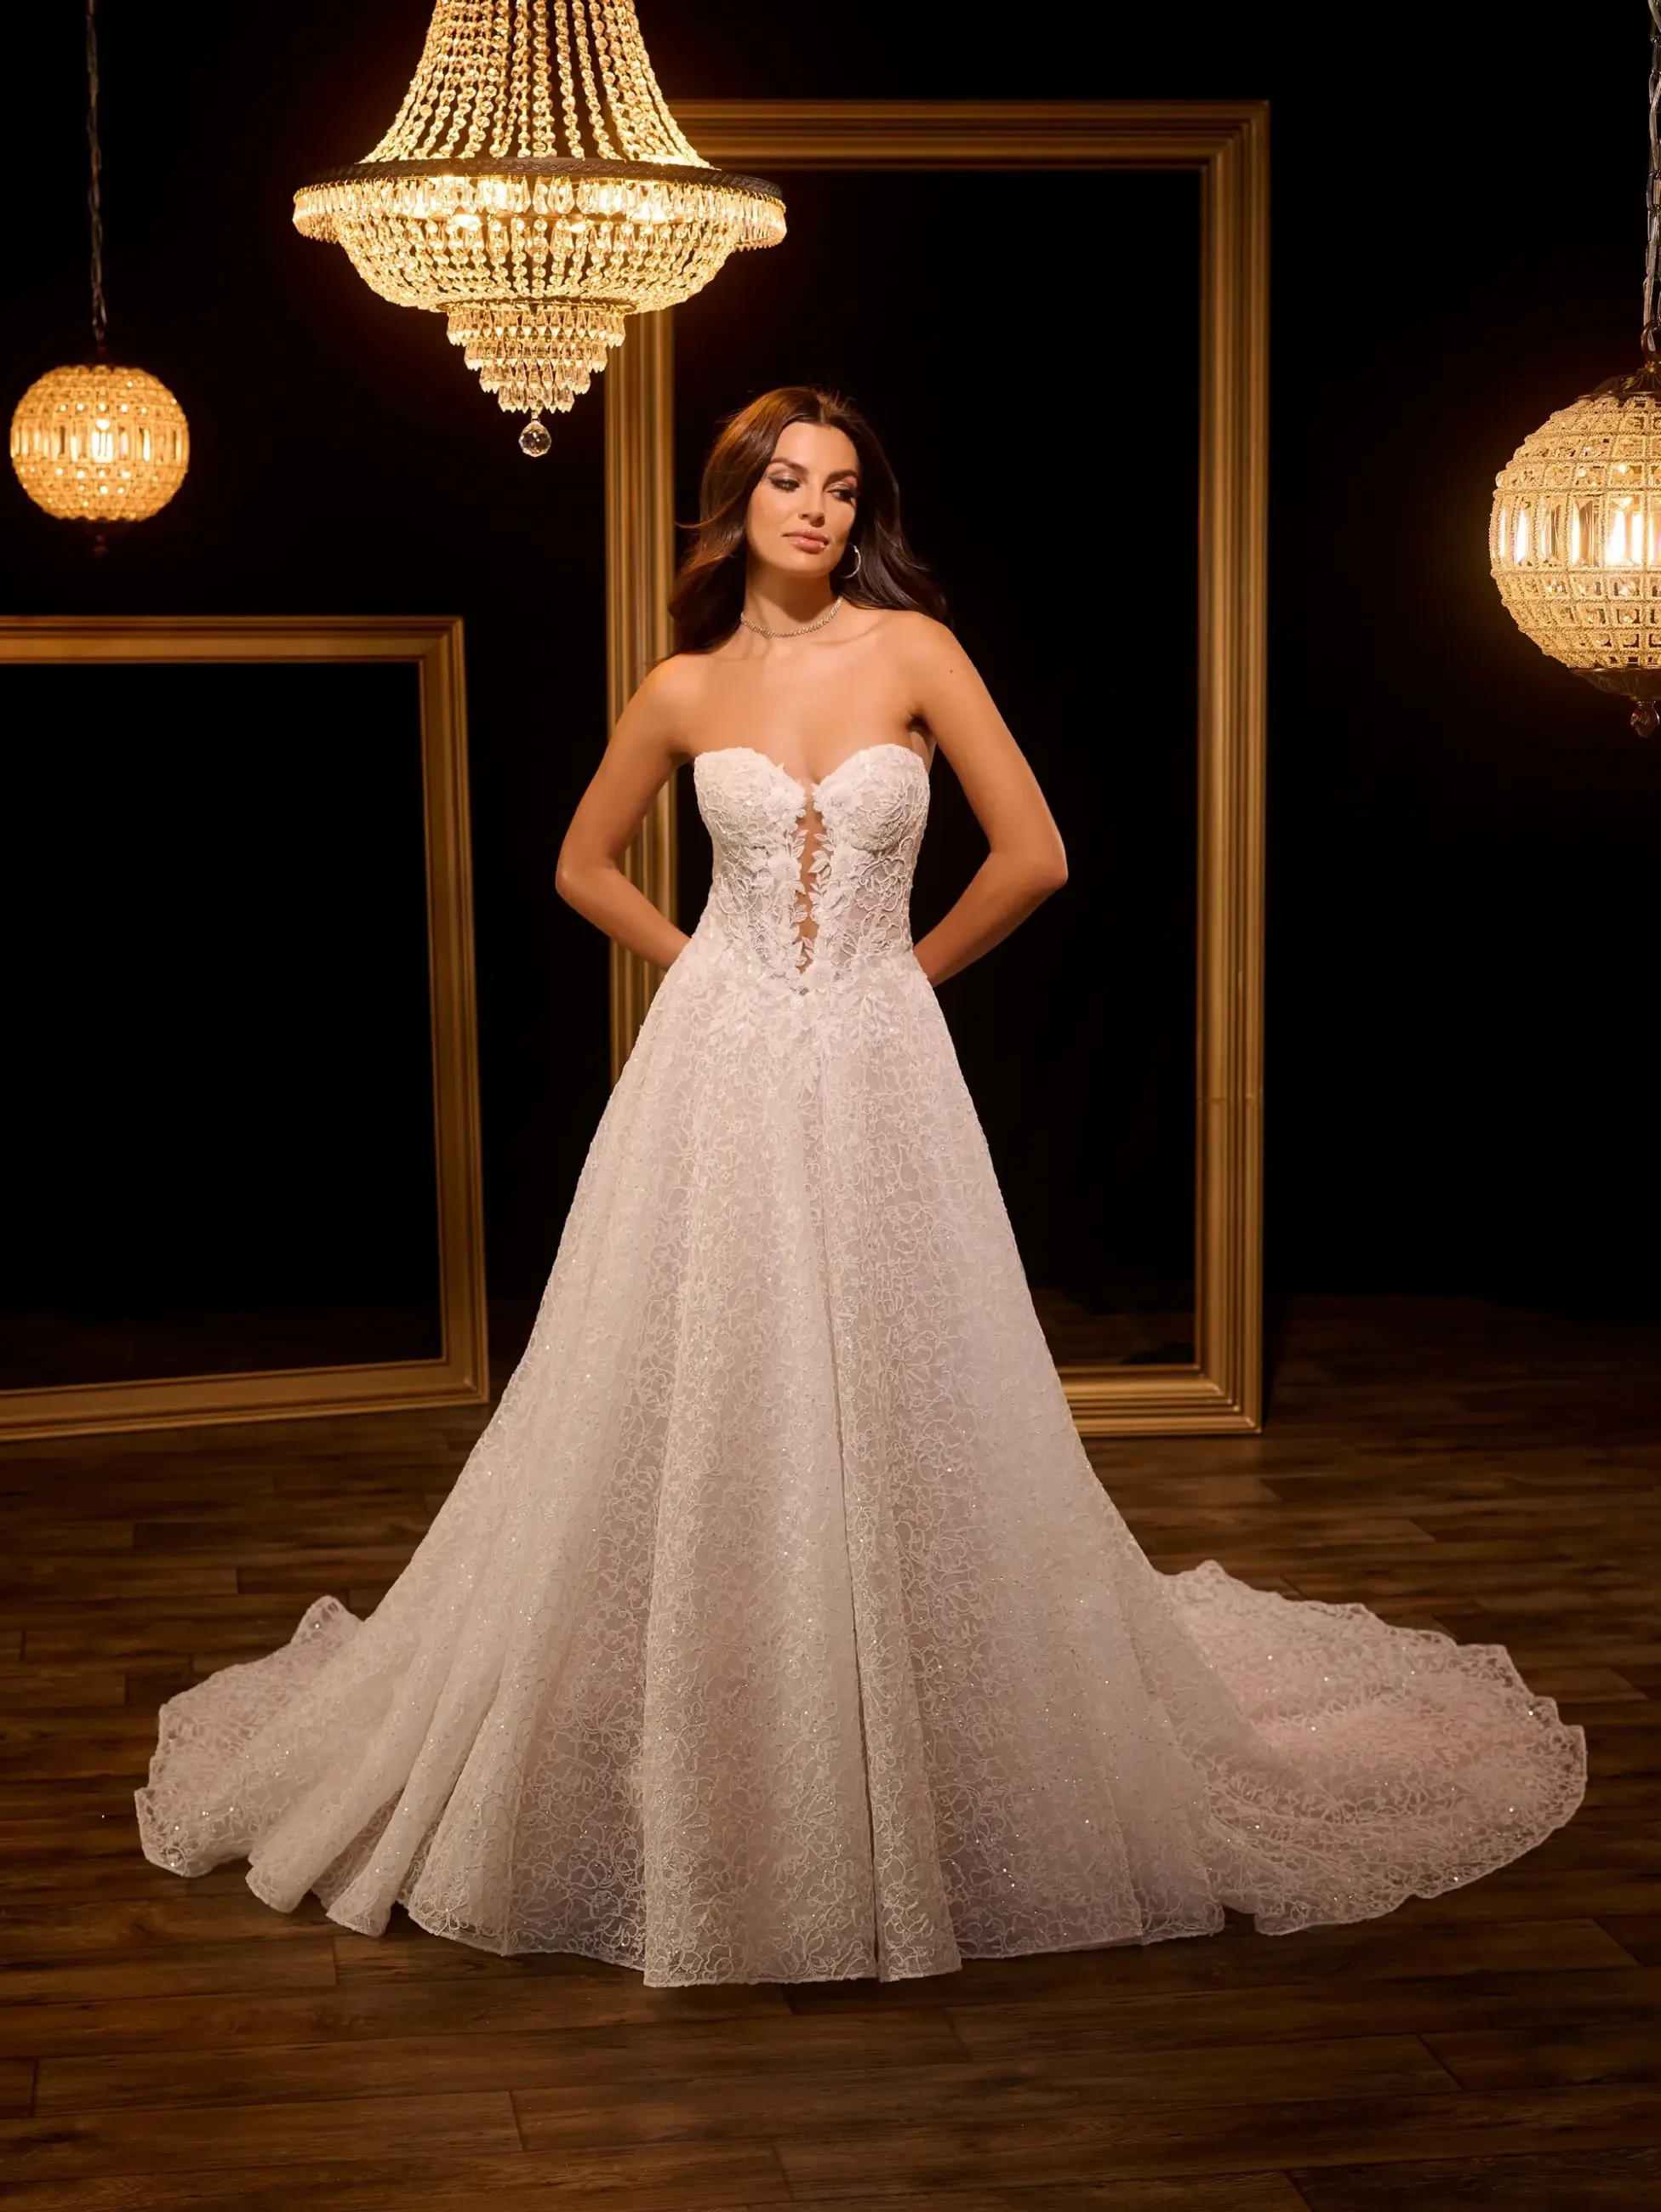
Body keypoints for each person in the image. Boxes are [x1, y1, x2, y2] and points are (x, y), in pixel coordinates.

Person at [137, 388, 1585, 1987]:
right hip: (721, 1064)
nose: (814, 509)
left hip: (882, 1058)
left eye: (839, 488)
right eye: (784, 481)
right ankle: (711, 1715)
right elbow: (578, 862)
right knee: (701, 1374)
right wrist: (713, 970)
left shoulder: (915, 652)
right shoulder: (685, 685)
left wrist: (903, 978)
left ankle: (914, 1719)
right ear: (736, 501)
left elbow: (1034, 850)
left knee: (908, 1367)